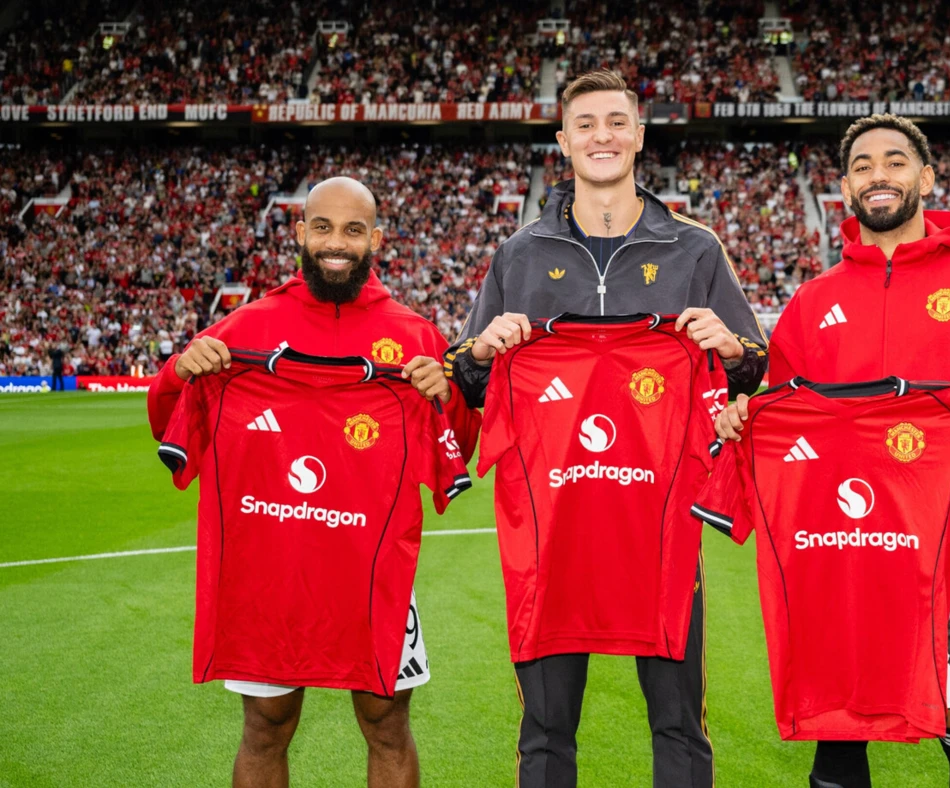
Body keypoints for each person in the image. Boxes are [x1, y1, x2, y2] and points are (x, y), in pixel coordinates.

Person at [716, 114, 950, 788]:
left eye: (896, 161)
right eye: (863, 166)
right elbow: (781, 414)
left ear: (926, 178)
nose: (879, 174)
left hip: (949, 545)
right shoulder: (812, 301)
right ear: (846, 190)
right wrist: (742, 421)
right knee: (837, 718)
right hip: (833, 547)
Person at [443, 69, 768, 788]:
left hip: (659, 529)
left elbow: (753, 372)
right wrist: (483, 350)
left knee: (680, 726)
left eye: (617, 122)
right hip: (550, 537)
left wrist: (731, 347)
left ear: (639, 136)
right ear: (563, 142)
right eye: (586, 123)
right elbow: (467, 380)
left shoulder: (695, 248)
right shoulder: (519, 253)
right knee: (546, 733)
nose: (603, 136)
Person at [148, 176, 476, 788]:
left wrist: (447, 395)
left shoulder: (415, 336)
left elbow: (455, 447)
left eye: (353, 230)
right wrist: (178, 369)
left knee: (386, 723)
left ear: (376, 239)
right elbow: (167, 415)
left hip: (372, 571)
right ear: (299, 233)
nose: (336, 243)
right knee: (266, 726)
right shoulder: (244, 328)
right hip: (268, 573)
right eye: (322, 227)